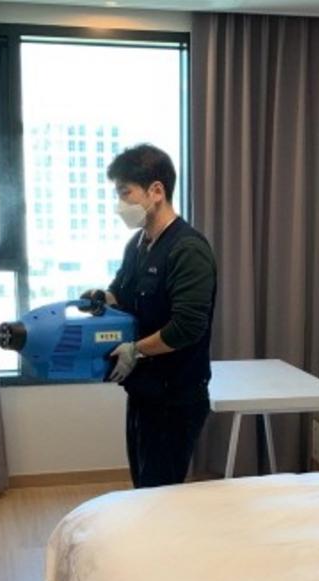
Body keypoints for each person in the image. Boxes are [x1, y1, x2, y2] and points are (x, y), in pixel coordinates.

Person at [80, 144, 217, 489]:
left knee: (160, 495)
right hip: (144, 392)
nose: (119, 205)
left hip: (176, 399)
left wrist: (135, 349)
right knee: (143, 488)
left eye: (125, 193)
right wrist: (102, 298)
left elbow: (186, 328)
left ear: (156, 191)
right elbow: (121, 293)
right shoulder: (138, 244)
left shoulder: (188, 250)